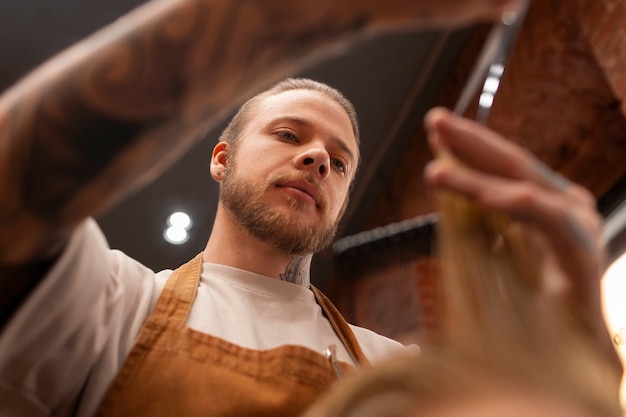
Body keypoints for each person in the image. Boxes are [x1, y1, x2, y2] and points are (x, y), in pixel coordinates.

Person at [0, 0, 618, 416]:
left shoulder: (397, 372)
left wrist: (579, 353)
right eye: (290, 136)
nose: (319, 160)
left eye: (340, 162)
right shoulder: (114, 306)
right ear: (221, 159)